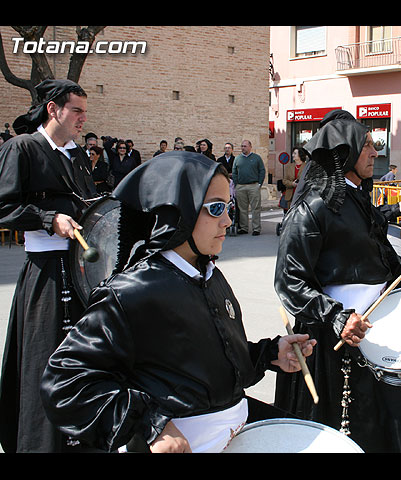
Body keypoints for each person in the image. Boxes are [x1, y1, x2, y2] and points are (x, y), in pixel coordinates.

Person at [39, 152, 316, 453]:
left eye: (228, 206)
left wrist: (270, 353)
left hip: (237, 433)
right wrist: (150, 424)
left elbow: (207, 360)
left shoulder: (210, 275)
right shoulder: (131, 290)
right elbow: (65, 381)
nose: (227, 220)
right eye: (216, 208)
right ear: (181, 211)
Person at [273, 110, 401, 453]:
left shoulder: (361, 200)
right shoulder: (311, 208)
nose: (375, 153)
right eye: (368, 146)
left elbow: (378, 259)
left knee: (393, 428)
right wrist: (336, 317)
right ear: (344, 153)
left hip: (380, 330)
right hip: (334, 339)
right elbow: (289, 280)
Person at [0, 79, 97, 453]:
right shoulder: (22, 148)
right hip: (45, 274)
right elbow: (3, 207)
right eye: (77, 110)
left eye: (84, 112)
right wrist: (48, 219)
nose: (82, 119)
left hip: (82, 271)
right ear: (53, 109)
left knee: (85, 358)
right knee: (46, 359)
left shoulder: (77, 155)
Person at [232, 140, 265, 236]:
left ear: (250, 147)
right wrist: (236, 183)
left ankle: (256, 228)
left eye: (245, 146)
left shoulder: (256, 158)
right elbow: (234, 172)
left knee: (255, 208)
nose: (243, 148)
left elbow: (262, 170)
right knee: (242, 209)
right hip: (241, 186)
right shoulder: (237, 159)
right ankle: (244, 228)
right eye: (242, 146)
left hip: (253, 186)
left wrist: (259, 184)